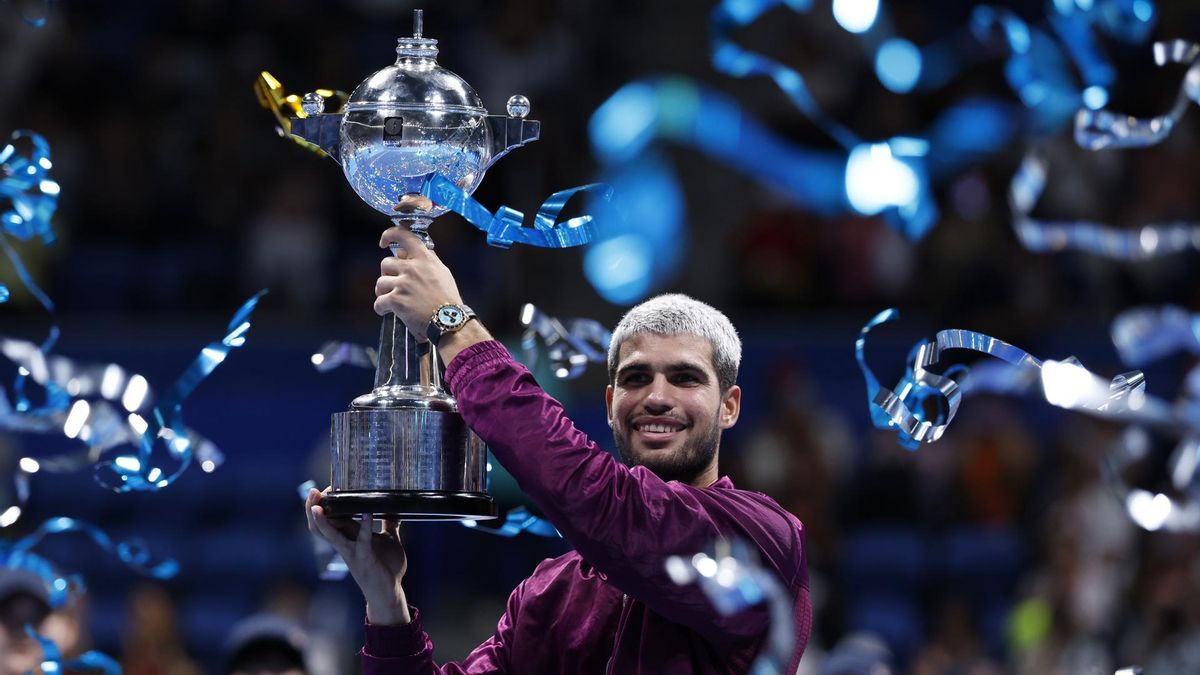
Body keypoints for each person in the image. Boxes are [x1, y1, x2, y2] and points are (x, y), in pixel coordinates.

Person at [306, 226, 812, 673]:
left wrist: (452, 325)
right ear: (611, 404)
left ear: (729, 406)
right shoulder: (552, 593)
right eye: (637, 378)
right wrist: (385, 598)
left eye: (684, 378)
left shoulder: (761, 544)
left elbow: (601, 500)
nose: (657, 397)